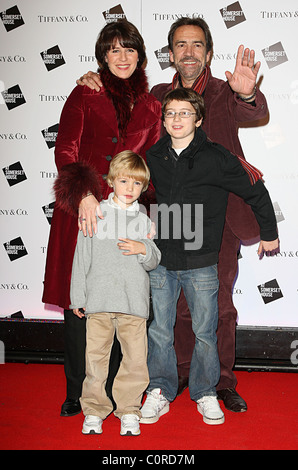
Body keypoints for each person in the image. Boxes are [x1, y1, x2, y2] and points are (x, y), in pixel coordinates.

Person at [76, 17, 269, 413]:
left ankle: (220, 383)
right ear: (170, 54)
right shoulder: (158, 95)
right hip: (168, 220)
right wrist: (93, 80)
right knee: (171, 309)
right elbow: (123, 122)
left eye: (197, 45)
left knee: (219, 307)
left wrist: (247, 95)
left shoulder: (223, 90)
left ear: (209, 53)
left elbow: (250, 112)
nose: (189, 52)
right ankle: (179, 377)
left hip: (220, 219)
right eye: (180, 45)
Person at [42, 20, 161, 418]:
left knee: (122, 300)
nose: (122, 57)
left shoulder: (151, 105)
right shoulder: (84, 92)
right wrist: (86, 194)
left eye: (129, 49)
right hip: (86, 213)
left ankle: (113, 391)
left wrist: (151, 215)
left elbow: (154, 165)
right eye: (114, 50)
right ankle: (77, 392)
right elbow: (65, 150)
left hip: (128, 216)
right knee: (83, 302)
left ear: (140, 56)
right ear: (102, 57)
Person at [140, 88, 278, 426]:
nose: (176, 119)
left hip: (202, 261)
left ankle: (204, 392)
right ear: (163, 119)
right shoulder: (153, 155)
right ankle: (159, 389)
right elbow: (133, 192)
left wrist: (269, 232)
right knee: (159, 330)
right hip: (161, 260)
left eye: (185, 113)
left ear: (199, 119)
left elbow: (255, 188)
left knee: (205, 331)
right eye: (170, 113)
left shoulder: (218, 156)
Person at [69, 151, 161, 436]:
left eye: (136, 184)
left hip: (133, 304)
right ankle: (94, 411)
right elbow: (81, 256)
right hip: (98, 302)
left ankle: (129, 410)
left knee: (135, 361)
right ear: (110, 181)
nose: (130, 189)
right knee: (95, 360)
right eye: (124, 181)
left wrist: (143, 248)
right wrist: (77, 297)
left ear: (143, 187)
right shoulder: (96, 213)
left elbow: (154, 259)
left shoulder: (145, 220)